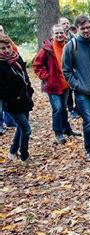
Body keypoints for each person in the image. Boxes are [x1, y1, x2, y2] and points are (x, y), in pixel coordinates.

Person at [62, 15, 90, 162]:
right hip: (81, 92)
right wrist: (76, 85)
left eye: (88, 27)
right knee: (88, 120)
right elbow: (66, 70)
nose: (86, 30)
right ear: (77, 29)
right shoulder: (71, 46)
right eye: (83, 28)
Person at [32, 24, 81, 144]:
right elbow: (36, 65)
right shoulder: (47, 48)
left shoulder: (68, 45)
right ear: (52, 35)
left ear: (64, 33)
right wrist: (46, 77)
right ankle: (58, 133)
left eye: (61, 32)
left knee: (64, 108)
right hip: (52, 85)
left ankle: (66, 129)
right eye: (56, 33)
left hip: (65, 84)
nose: (59, 35)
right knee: (57, 109)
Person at [0, 34, 34, 165]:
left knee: (21, 127)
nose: (7, 50)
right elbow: (1, 90)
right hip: (12, 104)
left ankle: (12, 151)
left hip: (24, 99)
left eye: (8, 47)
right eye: (3, 48)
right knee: (26, 129)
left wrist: (29, 90)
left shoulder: (16, 57)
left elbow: (24, 75)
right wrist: (13, 99)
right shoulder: (1, 65)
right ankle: (24, 156)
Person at [59, 17, 80, 119]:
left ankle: (78, 108)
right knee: (68, 90)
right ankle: (71, 109)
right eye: (63, 23)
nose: (66, 25)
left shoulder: (74, 37)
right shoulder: (58, 39)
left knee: (77, 88)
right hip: (65, 69)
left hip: (76, 68)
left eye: (67, 23)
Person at [0, 24, 18, 133]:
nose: (0, 32)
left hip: (10, 80)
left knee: (9, 101)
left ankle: (10, 121)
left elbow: (15, 53)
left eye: (1, 30)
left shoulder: (9, 42)